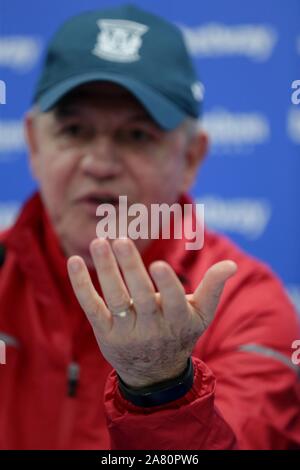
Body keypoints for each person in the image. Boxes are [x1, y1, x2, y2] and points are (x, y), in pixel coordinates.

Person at [0, 4, 299, 450]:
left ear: (192, 158)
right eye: (75, 130)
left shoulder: (248, 305)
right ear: (33, 144)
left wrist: (161, 388)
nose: (99, 164)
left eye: (137, 135)